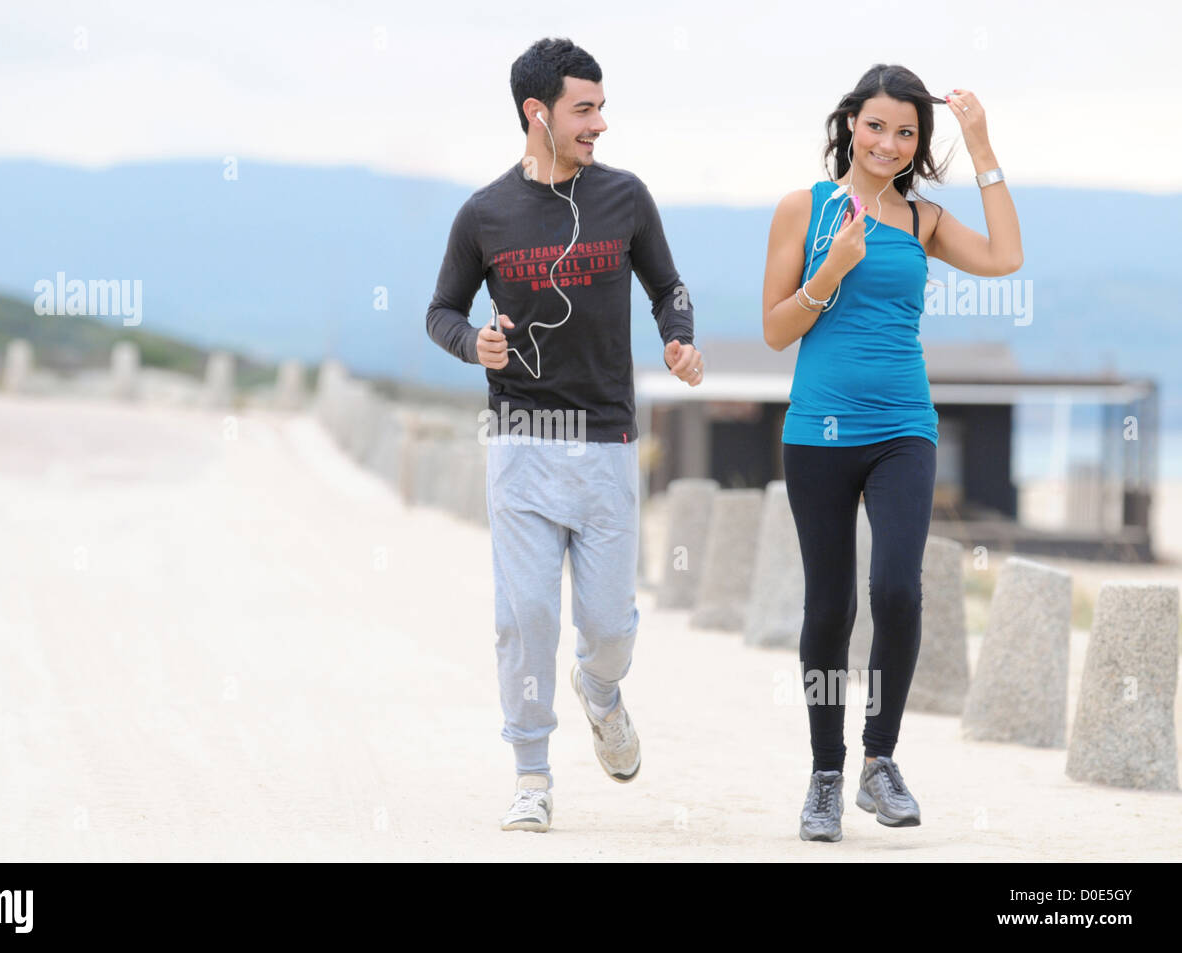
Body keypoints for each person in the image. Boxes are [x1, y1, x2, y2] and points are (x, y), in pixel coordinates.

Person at [426, 37, 703, 833]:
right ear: (536, 113)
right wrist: (469, 340)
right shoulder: (484, 213)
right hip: (519, 438)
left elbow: (668, 287)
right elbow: (441, 310)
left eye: (602, 108)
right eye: (586, 110)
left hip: (608, 441)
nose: (601, 125)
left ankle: (601, 690)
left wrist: (678, 338)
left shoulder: (625, 199)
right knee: (524, 617)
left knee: (610, 626)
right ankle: (531, 772)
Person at [760, 64, 1022, 842]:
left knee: (898, 589)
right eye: (877, 126)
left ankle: (880, 760)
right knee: (829, 606)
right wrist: (829, 272)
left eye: (906, 132)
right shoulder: (801, 210)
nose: (890, 143)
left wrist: (981, 146)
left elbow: (1005, 258)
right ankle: (825, 774)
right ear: (851, 125)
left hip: (905, 424)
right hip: (818, 432)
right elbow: (776, 330)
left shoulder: (925, 221)